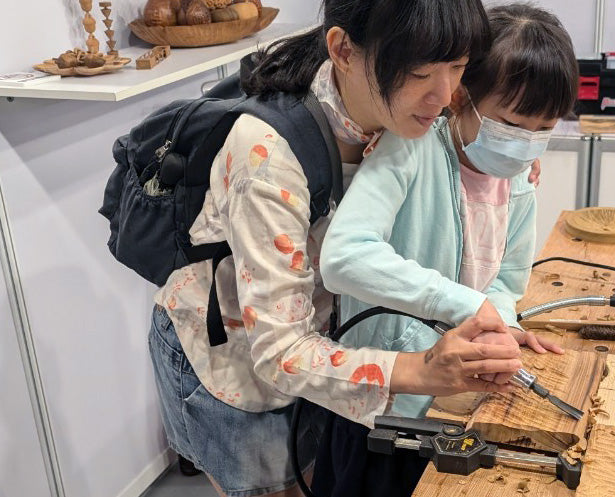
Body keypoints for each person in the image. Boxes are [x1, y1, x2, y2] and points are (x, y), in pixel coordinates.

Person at [146, 2, 527, 497]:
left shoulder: (397, 111)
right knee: (275, 486)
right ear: (344, 50)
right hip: (234, 356)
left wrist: (503, 155)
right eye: (420, 73)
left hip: (322, 342)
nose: (446, 94)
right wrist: (422, 371)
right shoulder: (266, 157)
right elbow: (280, 351)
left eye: (458, 67)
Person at [317, 3, 579, 496]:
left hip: (452, 408)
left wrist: (501, 328)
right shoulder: (410, 148)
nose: (525, 145)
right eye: (512, 124)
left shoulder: (517, 178)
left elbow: (505, 281)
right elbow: (344, 256)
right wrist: (467, 305)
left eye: (544, 131)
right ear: (461, 98)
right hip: (382, 407)